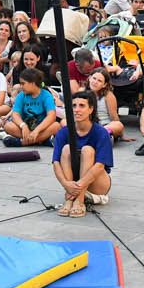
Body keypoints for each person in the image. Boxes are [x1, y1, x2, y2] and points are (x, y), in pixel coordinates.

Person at [51, 89, 114, 217]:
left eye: (82, 106)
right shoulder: (64, 132)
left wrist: (77, 187)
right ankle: (70, 200)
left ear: (91, 109)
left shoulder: (101, 132)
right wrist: (66, 184)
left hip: (97, 184)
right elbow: (56, 162)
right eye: (74, 106)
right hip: (72, 183)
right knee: (66, 149)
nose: (77, 110)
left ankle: (79, 201)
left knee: (87, 150)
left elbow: (100, 166)